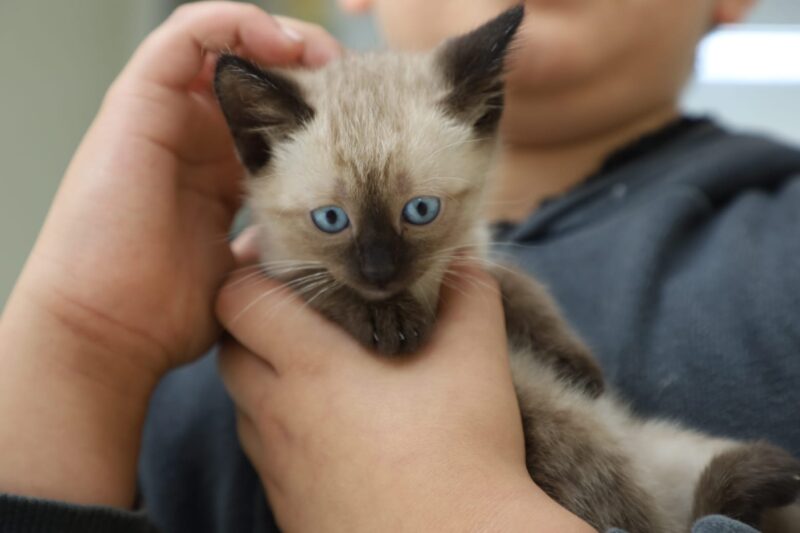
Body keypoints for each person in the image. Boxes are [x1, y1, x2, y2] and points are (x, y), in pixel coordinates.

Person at [0, 0, 797, 531]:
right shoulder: (185, 359)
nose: (378, 267)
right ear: (258, 151)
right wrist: (84, 344)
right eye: (333, 224)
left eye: (424, 213)